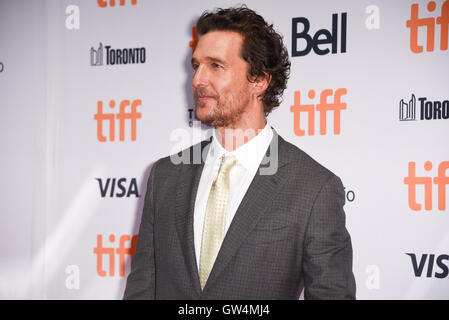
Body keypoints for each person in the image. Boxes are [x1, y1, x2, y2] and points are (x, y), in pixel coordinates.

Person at [123, 5, 356, 300]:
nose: (197, 80)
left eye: (216, 66)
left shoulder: (313, 189)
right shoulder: (165, 176)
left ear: (259, 80)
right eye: (196, 66)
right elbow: (142, 289)